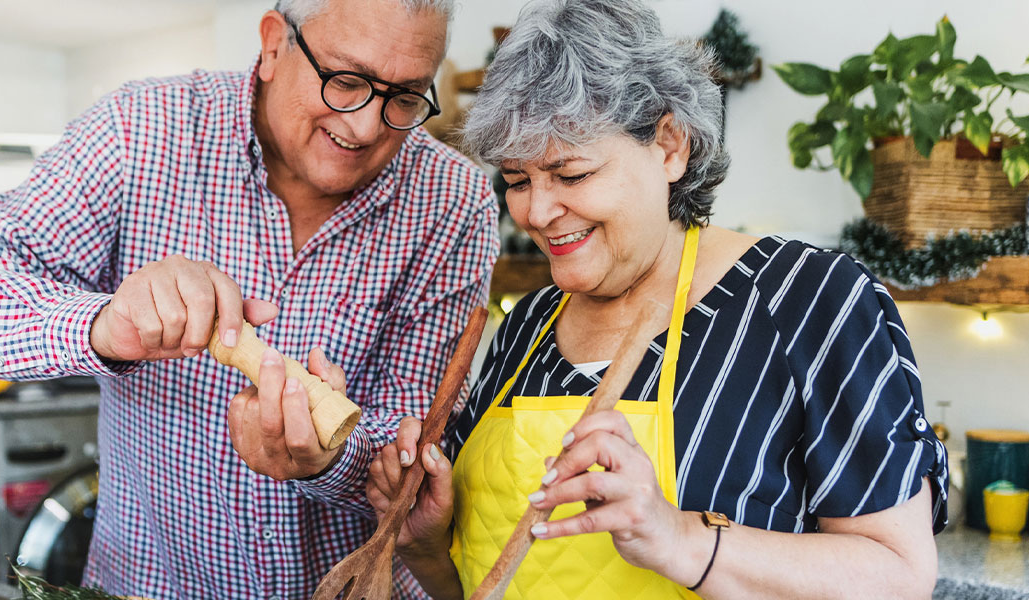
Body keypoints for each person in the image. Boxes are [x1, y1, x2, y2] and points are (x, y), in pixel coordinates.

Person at [0, 0, 499, 596]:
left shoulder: (452, 200)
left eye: (404, 97)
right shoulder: (141, 129)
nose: (367, 126)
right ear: (273, 45)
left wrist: (330, 462)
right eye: (345, 81)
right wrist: (106, 325)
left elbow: (416, 443)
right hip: (149, 582)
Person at [366, 0, 948, 598]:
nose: (536, 212)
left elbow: (900, 576)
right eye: (517, 181)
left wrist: (679, 539)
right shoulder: (528, 330)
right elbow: (476, 587)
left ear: (670, 146)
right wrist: (426, 545)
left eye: (570, 175)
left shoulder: (808, 300)